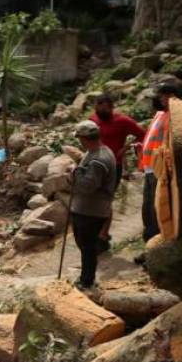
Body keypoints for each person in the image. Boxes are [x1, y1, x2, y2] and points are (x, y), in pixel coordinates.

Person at [89, 94, 146, 249]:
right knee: (94, 200)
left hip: (114, 165)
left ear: (111, 108)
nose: (101, 111)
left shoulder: (122, 121)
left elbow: (142, 133)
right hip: (95, 165)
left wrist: (126, 148)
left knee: (105, 200)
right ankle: (97, 232)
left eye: (105, 108)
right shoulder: (93, 120)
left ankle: (103, 235)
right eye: (98, 108)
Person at [69, 121, 117, 290]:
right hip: (86, 208)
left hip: (91, 210)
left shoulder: (99, 159)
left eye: (80, 138)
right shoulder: (97, 152)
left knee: (87, 247)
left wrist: (73, 173)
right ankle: (86, 276)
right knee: (86, 245)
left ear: (83, 138)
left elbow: (88, 186)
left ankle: (87, 280)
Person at [138, 83, 182, 247]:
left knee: (158, 209)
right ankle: (148, 245)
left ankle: (157, 245)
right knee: (148, 210)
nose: (162, 99)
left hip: (161, 170)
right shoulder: (159, 114)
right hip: (150, 169)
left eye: (166, 95)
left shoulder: (176, 116)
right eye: (162, 95)